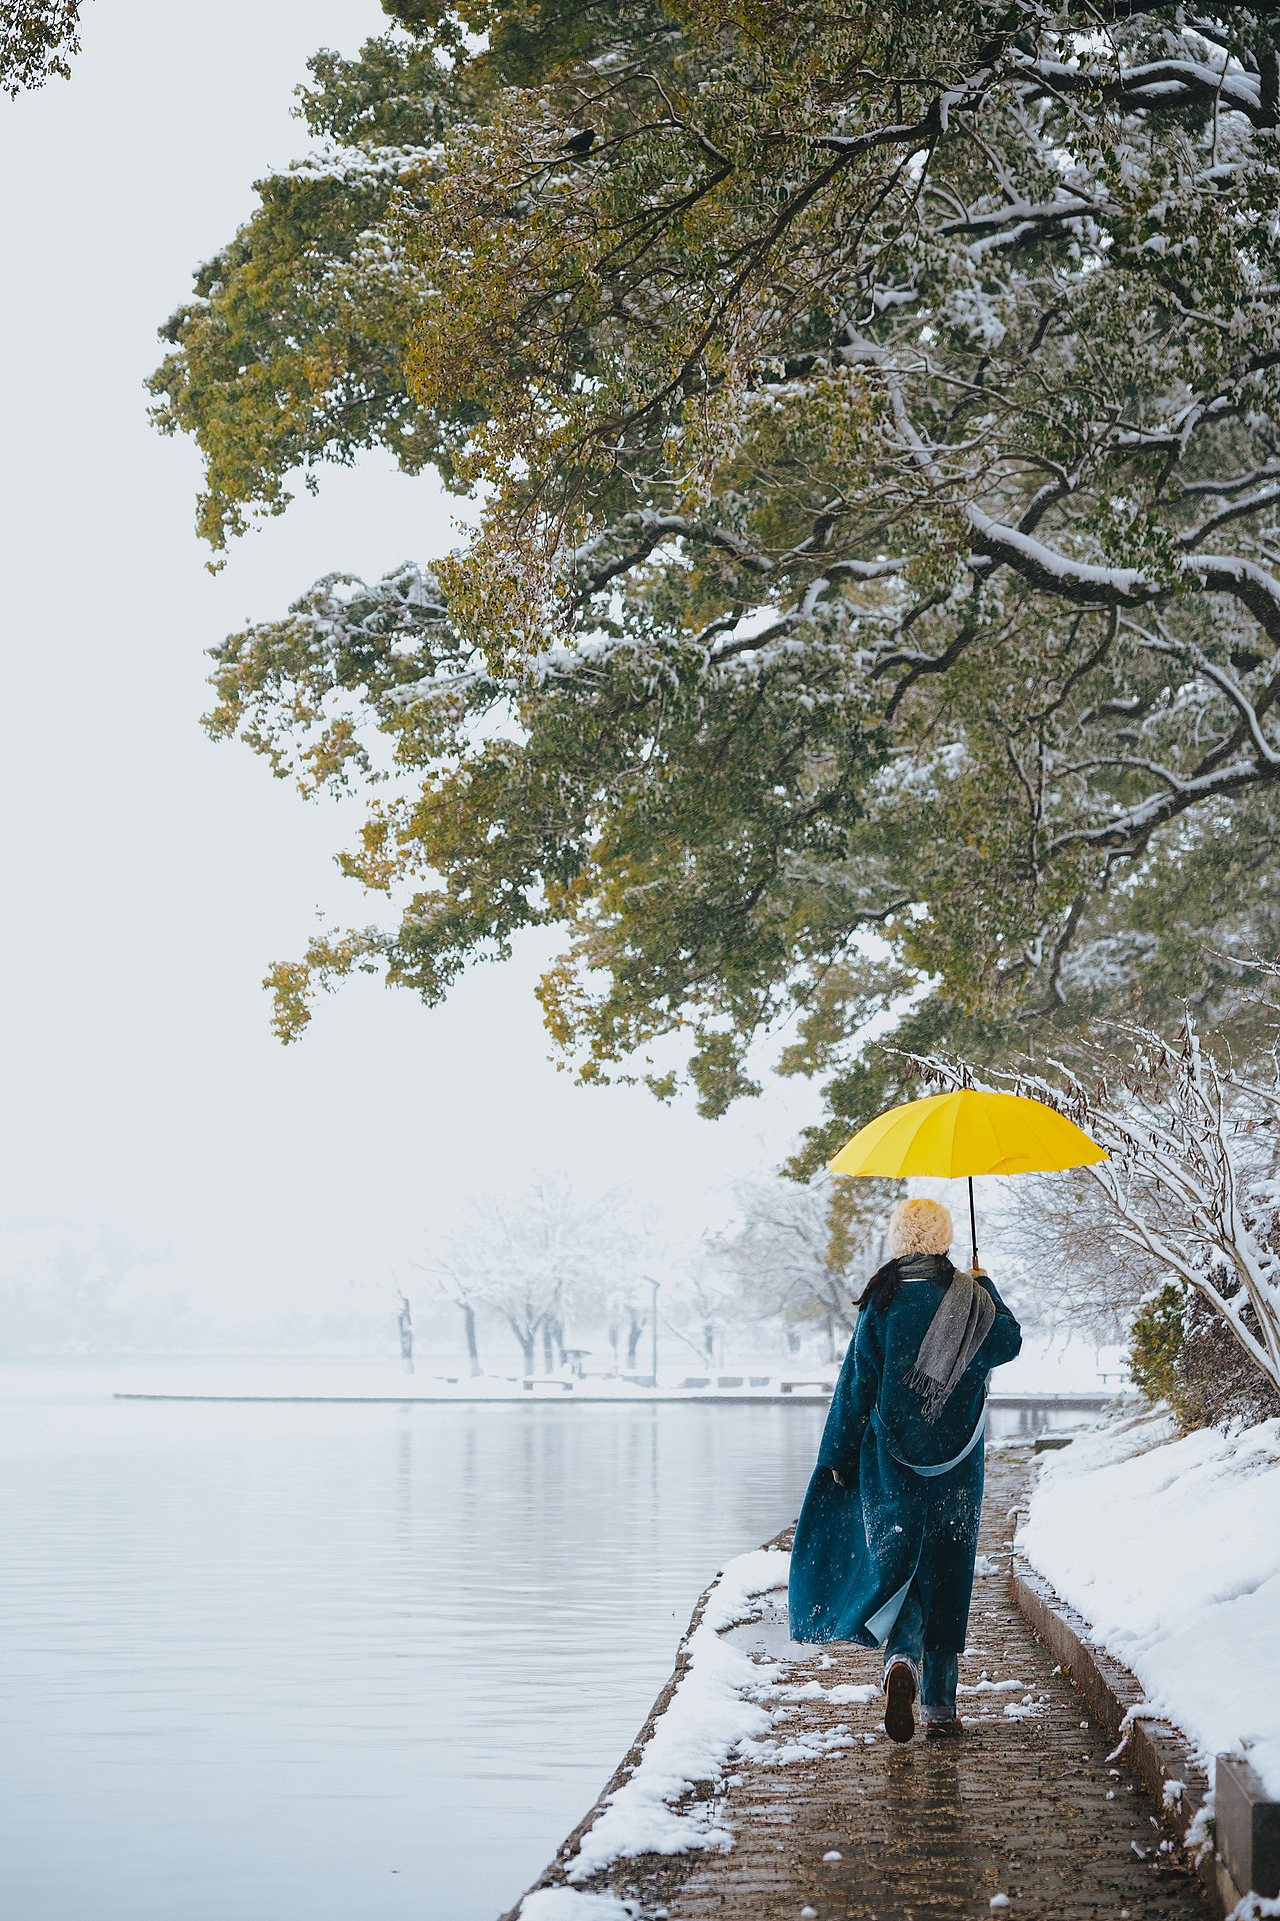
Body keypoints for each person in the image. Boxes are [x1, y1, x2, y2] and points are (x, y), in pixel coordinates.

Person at [788, 1196, 1022, 1741]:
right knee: (949, 1569)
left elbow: (854, 1388)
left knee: (904, 1568)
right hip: (959, 1468)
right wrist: (986, 1287)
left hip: (891, 1465)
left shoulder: (883, 1301)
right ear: (943, 1240)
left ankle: (899, 1660)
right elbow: (1009, 1343)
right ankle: (940, 1709)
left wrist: (838, 1460)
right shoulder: (968, 1299)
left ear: (899, 1241)